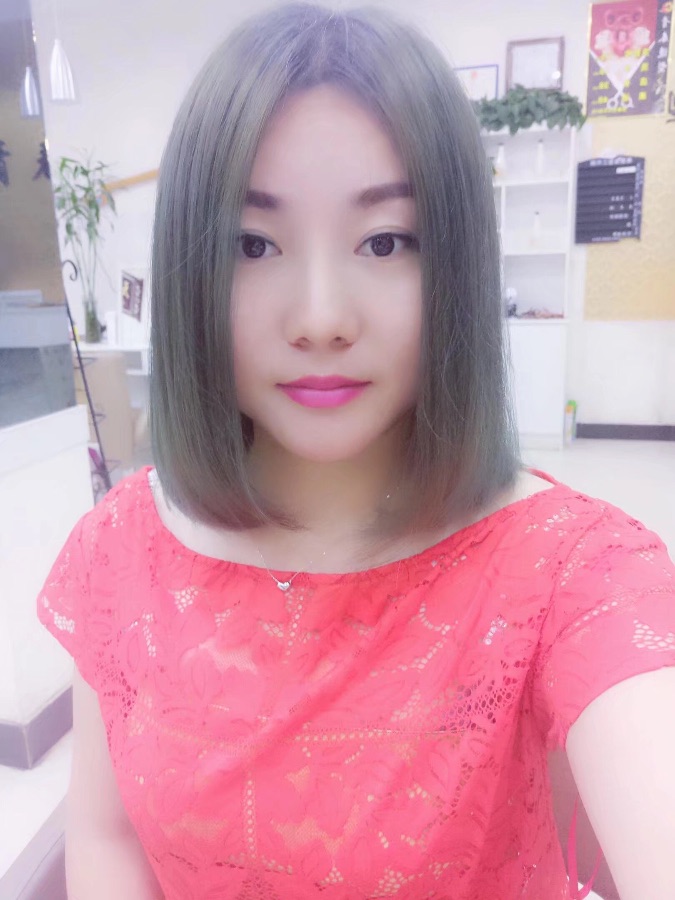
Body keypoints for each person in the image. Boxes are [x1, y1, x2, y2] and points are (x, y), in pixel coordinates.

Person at [37, 4, 675, 899]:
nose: (321, 319)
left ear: (454, 261)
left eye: (384, 241)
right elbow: (104, 835)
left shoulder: (573, 571)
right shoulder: (120, 550)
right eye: (252, 244)